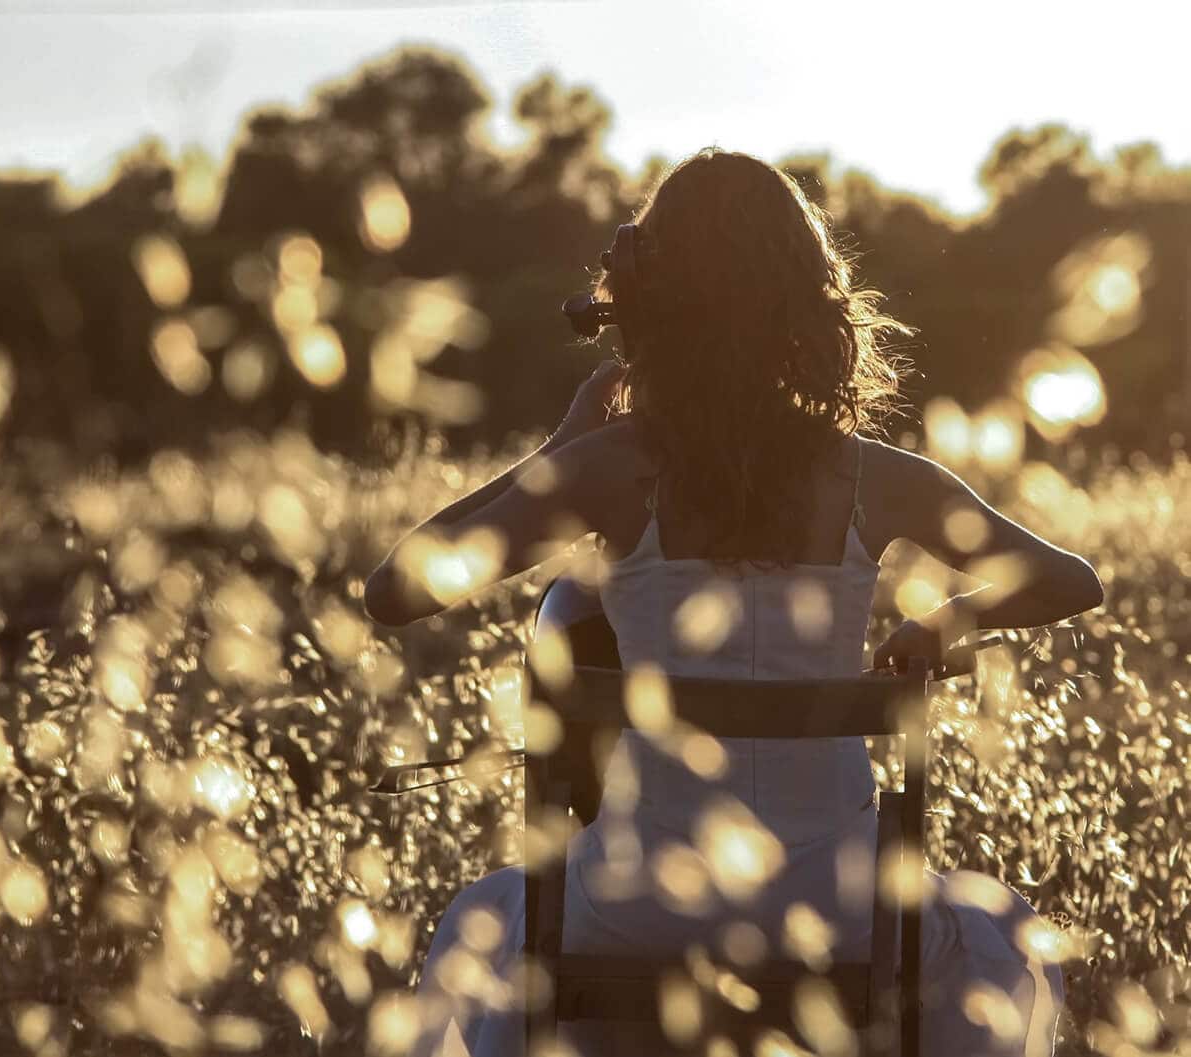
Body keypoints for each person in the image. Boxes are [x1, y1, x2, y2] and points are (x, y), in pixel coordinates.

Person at [363, 147, 1103, 1057]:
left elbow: (393, 589)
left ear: (656, 303)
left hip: (638, 904)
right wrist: (951, 618)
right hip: (837, 907)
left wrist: (559, 450)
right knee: (998, 932)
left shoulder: (611, 470)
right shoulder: (877, 478)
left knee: (483, 916)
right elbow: (1074, 579)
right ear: (802, 302)